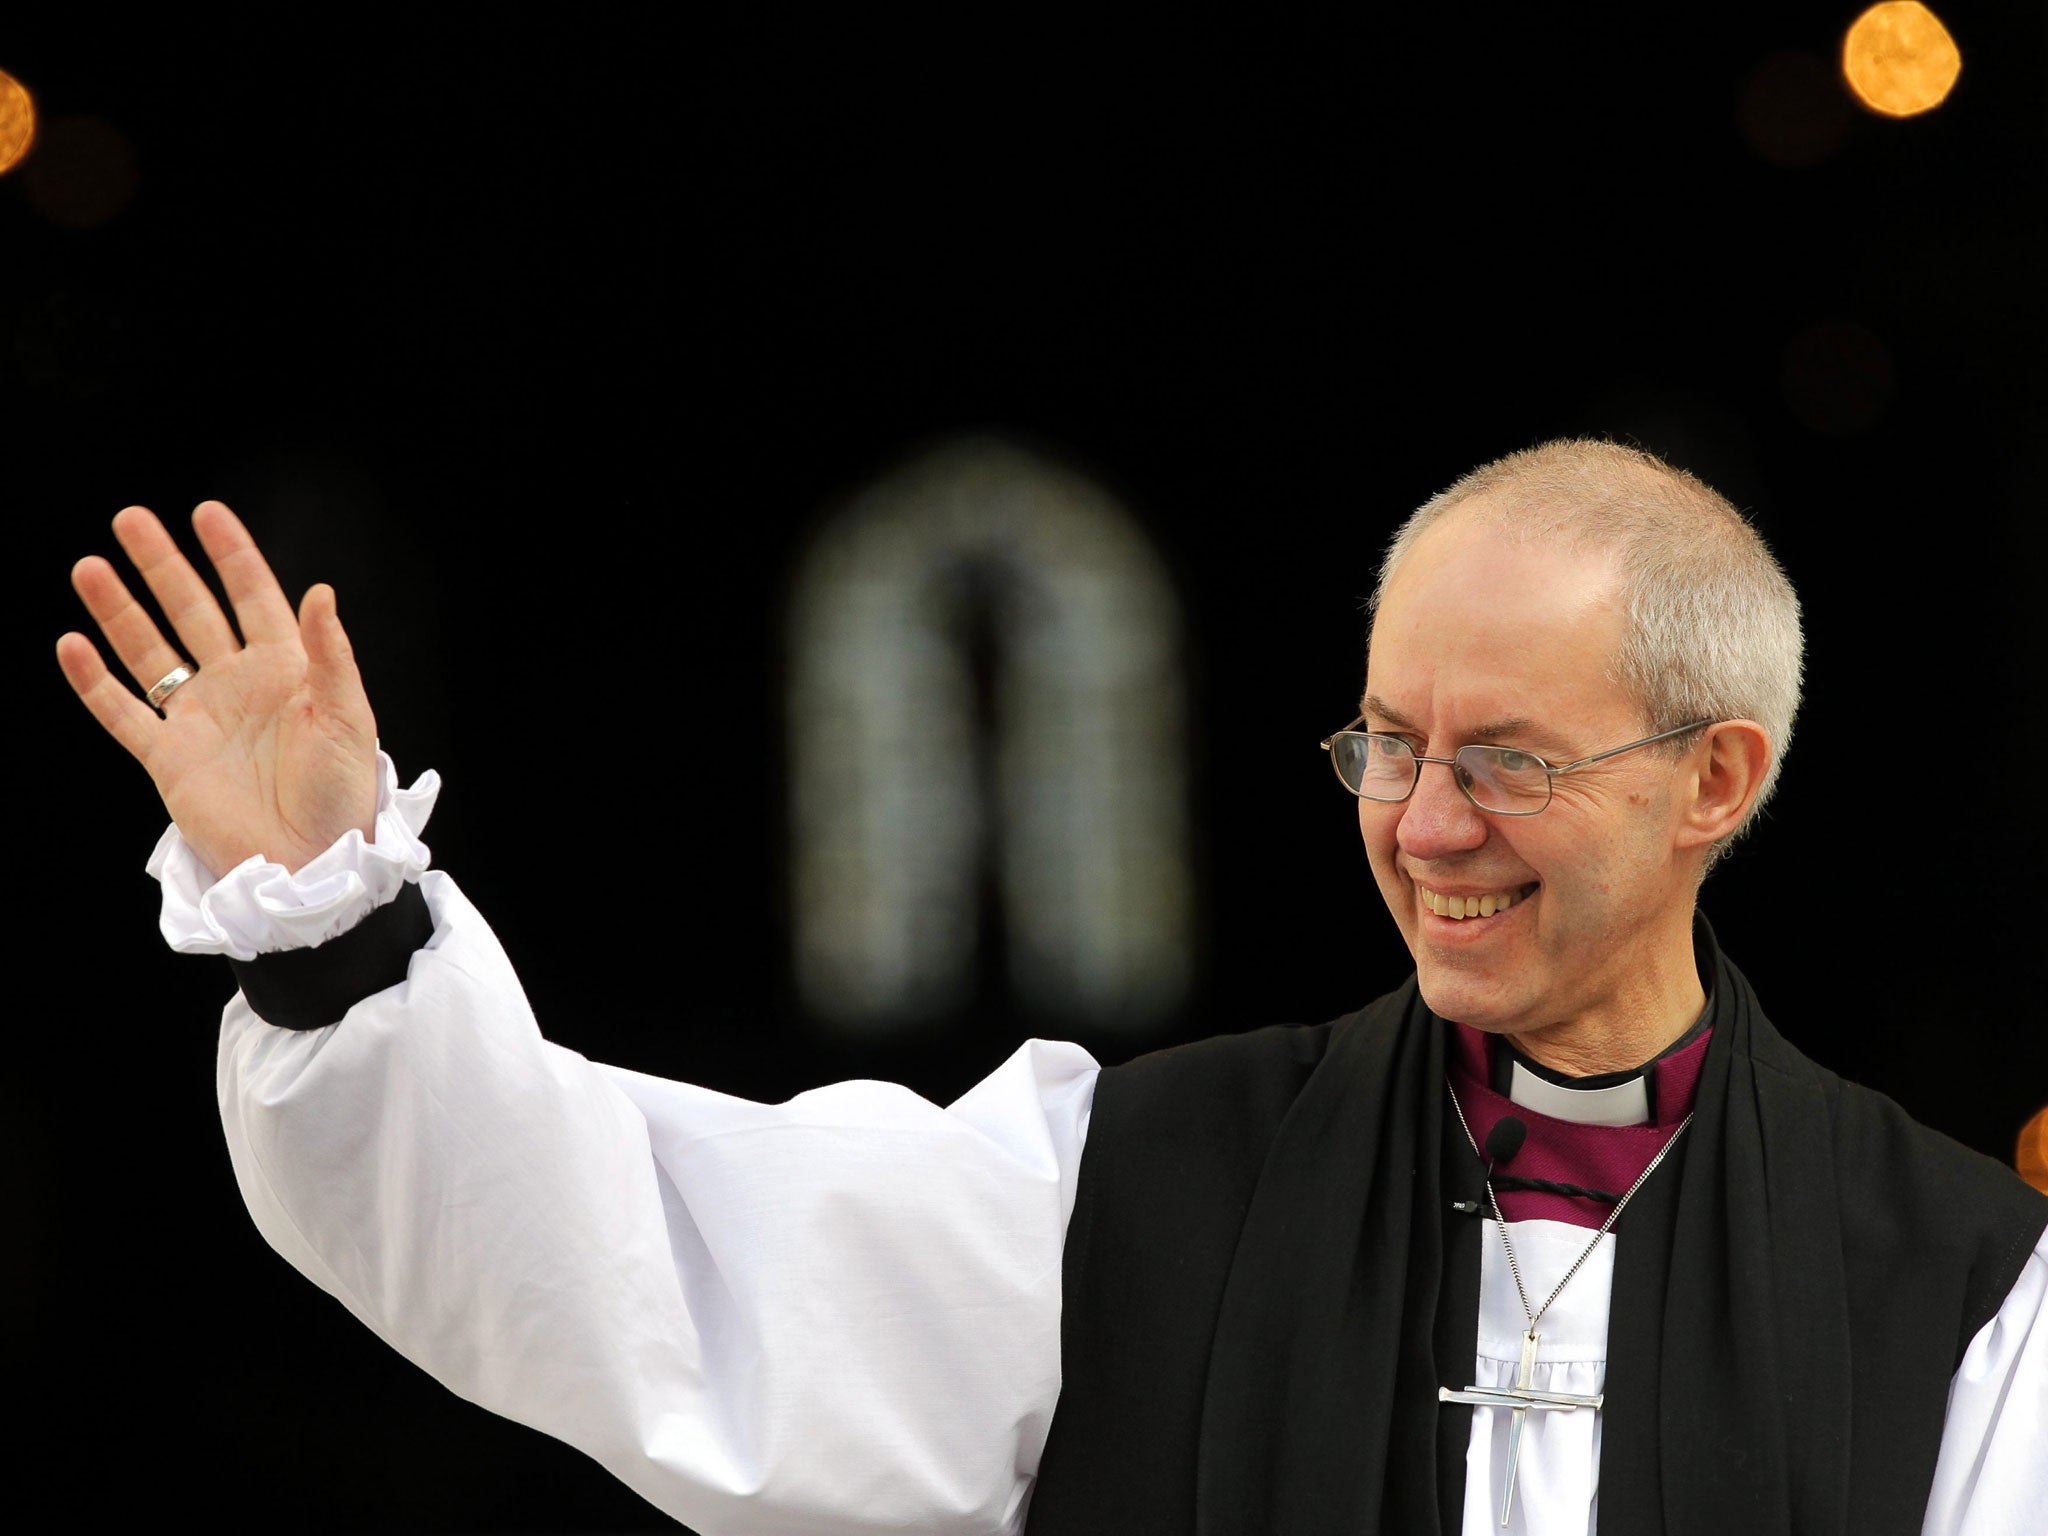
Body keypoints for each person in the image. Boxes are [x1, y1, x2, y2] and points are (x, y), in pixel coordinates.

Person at [58, 441, 2046, 1535]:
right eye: (1384, 747)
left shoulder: (1969, 1295)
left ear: (1717, 778)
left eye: (1508, 760)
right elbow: (615, 1254)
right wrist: (322, 911)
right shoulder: (1124, 1193)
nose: (1425, 825)